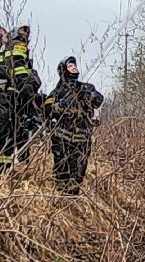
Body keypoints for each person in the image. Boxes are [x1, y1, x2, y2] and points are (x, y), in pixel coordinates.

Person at [43, 56, 104, 193]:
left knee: (77, 175)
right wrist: (62, 105)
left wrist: (86, 95)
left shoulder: (86, 88)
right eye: (70, 66)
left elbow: (99, 100)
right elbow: (47, 110)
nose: (74, 67)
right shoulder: (57, 92)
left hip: (82, 140)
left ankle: (72, 201)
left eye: (75, 65)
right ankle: (60, 199)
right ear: (63, 70)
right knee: (61, 172)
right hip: (61, 139)